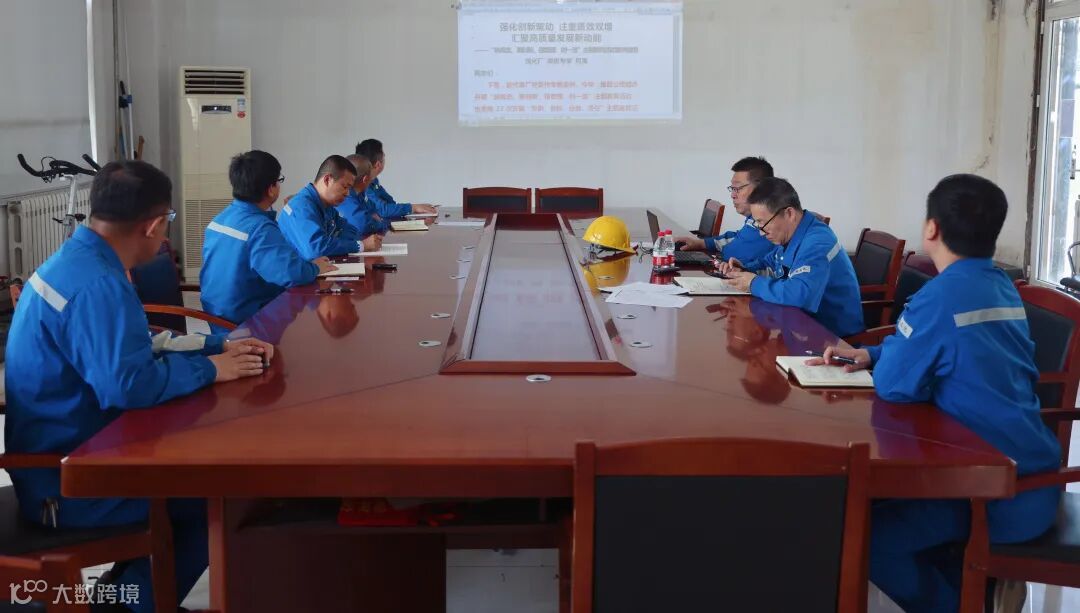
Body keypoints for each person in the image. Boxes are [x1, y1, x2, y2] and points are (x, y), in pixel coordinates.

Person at [4, 160, 274, 613]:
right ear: (152, 225)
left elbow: (138, 345)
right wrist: (213, 370)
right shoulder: (98, 284)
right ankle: (129, 606)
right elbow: (128, 385)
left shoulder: (80, 260)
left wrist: (217, 346)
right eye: (167, 221)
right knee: (217, 501)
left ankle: (126, 594)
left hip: (68, 455)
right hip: (65, 481)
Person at [812, 174, 1061, 613]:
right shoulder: (999, 284)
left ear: (931, 228)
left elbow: (895, 385)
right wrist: (873, 354)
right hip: (1032, 476)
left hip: (988, 492)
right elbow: (944, 349)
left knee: (867, 535)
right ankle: (977, 593)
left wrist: (886, 362)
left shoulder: (941, 296)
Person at [200, 150, 337, 332]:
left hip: (216, 316)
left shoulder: (220, 219)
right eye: (279, 180)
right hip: (245, 323)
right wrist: (315, 268)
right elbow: (292, 274)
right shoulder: (260, 229)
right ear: (271, 189)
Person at [718, 177, 864, 338]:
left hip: (834, 339)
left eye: (763, 223)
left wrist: (753, 283)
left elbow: (800, 295)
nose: (761, 232)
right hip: (799, 326)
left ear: (789, 214)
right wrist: (744, 269)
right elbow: (771, 262)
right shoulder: (794, 233)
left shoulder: (817, 243)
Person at [673, 156, 775, 264]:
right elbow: (738, 237)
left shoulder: (772, 228)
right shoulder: (753, 219)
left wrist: (723, 259)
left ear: (760, 188)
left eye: (738, 188)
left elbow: (743, 257)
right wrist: (701, 243)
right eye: (732, 188)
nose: (733, 195)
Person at [278, 155, 381, 259]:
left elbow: (350, 230)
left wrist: (333, 242)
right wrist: (360, 246)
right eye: (345, 187)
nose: (347, 193)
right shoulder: (301, 207)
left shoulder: (326, 205)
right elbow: (317, 248)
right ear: (327, 180)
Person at [354, 139, 438, 218]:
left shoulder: (374, 180)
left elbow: (390, 202)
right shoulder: (362, 184)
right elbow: (383, 210)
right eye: (384, 157)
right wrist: (413, 208)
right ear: (378, 164)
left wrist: (411, 208)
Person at [338, 154, 389, 235]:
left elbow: (376, 212)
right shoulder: (345, 198)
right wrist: (381, 224)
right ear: (365, 179)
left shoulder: (361, 194)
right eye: (371, 177)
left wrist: (374, 220)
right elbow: (362, 225)